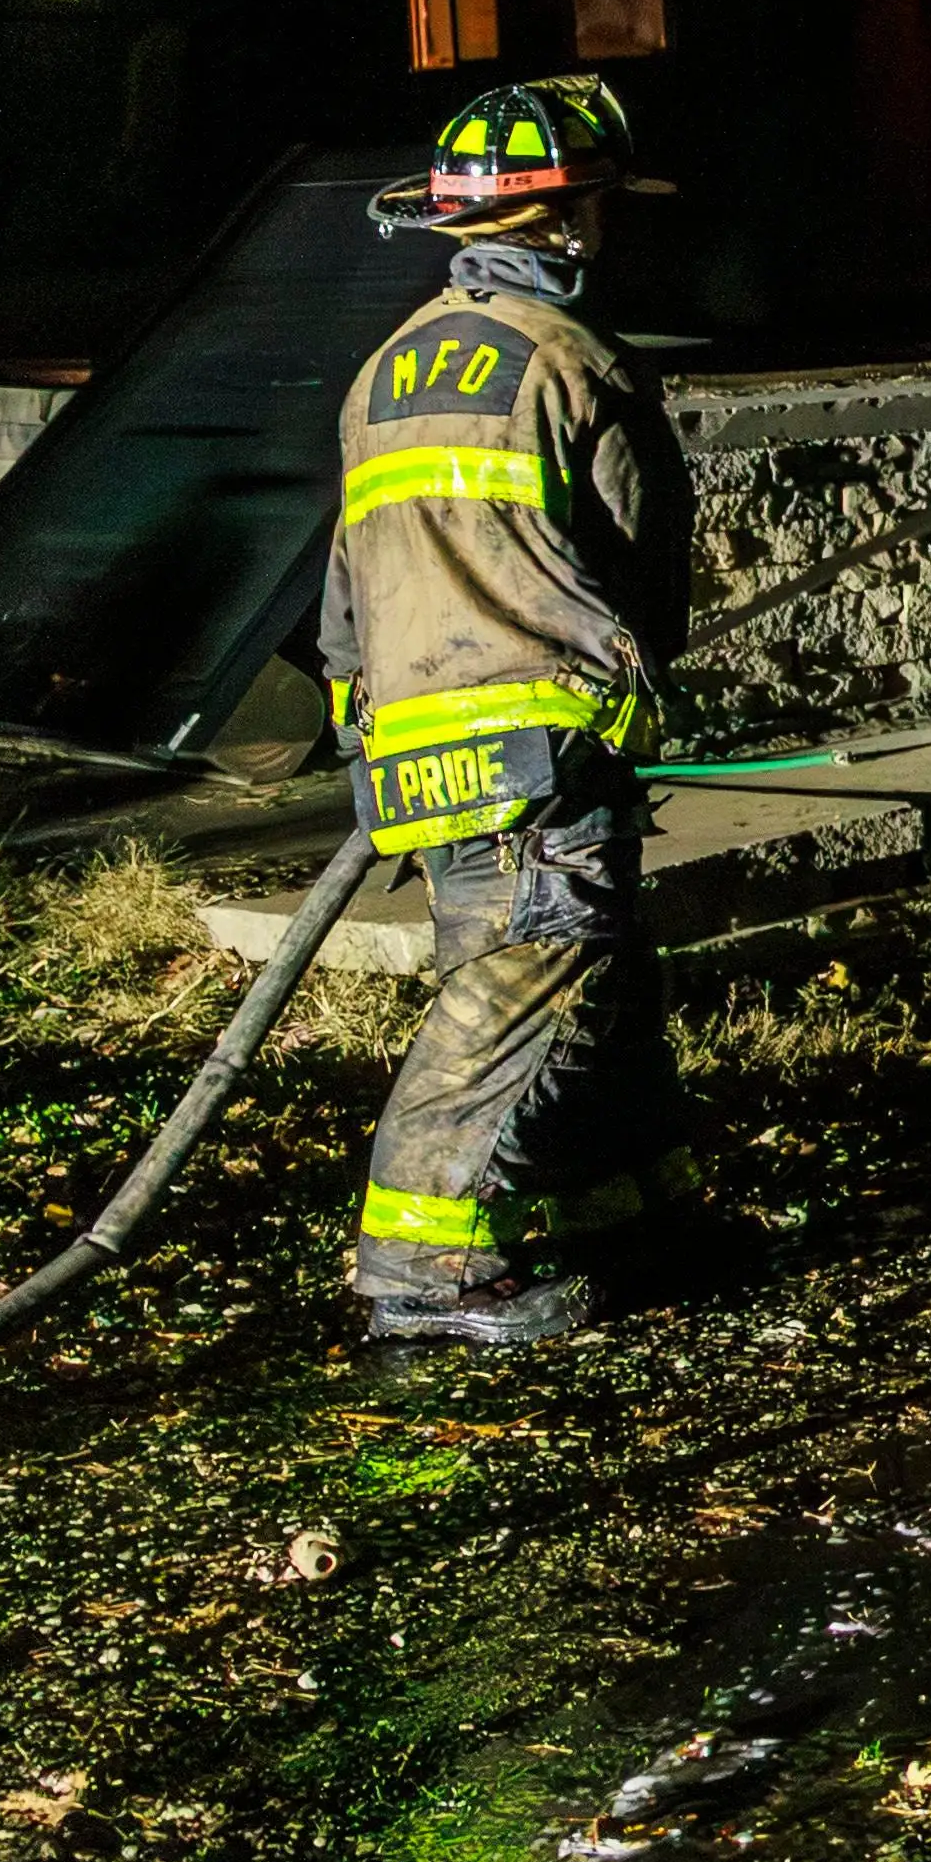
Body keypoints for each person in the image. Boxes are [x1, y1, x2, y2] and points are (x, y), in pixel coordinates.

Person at [324, 77, 701, 1346]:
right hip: (539, 744)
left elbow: (343, 590)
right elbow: (647, 565)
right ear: (567, 223)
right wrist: (635, 681)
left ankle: (629, 1211)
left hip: (420, 743)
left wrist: (363, 732)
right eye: (595, 208)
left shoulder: (379, 377)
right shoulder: (576, 362)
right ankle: (419, 1269)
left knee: (591, 979)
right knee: (511, 989)